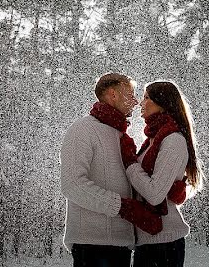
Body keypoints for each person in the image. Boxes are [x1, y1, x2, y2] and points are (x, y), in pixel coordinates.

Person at [61, 72, 166, 267]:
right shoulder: (83, 130)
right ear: (113, 94)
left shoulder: (120, 135)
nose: (135, 102)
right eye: (131, 94)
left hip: (121, 244)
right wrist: (123, 207)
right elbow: (72, 184)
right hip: (93, 246)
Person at [120, 80, 203, 267]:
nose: (141, 103)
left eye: (146, 98)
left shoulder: (173, 140)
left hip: (164, 244)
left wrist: (130, 162)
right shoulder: (152, 139)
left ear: (162, 103)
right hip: (148, 242)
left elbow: (154, 194)